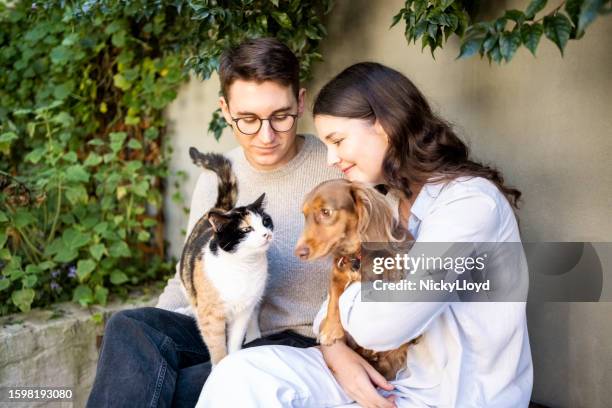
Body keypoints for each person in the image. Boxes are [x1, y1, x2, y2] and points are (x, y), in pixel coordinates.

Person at [197, 62, 533, 407]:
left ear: (386, 125)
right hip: (379, 377)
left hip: (445, 397)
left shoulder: (469, 204)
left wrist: (341, 298)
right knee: (239, 374)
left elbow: (382, 324)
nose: (330, 158)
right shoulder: (388, 202)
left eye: (338, 140)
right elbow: (326, 317)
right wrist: (334, 351)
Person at [86, 38, 340, 408]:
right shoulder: (218, 179)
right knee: (130, 327)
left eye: (281, 116)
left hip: (293, 345)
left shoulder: (337, 166)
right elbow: (186, 275)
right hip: (220, 327)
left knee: (185, 389)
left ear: (300, 101)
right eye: (248, 120)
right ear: (224, 110)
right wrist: (157, 340)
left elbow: (385, 261)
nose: (266, 135)